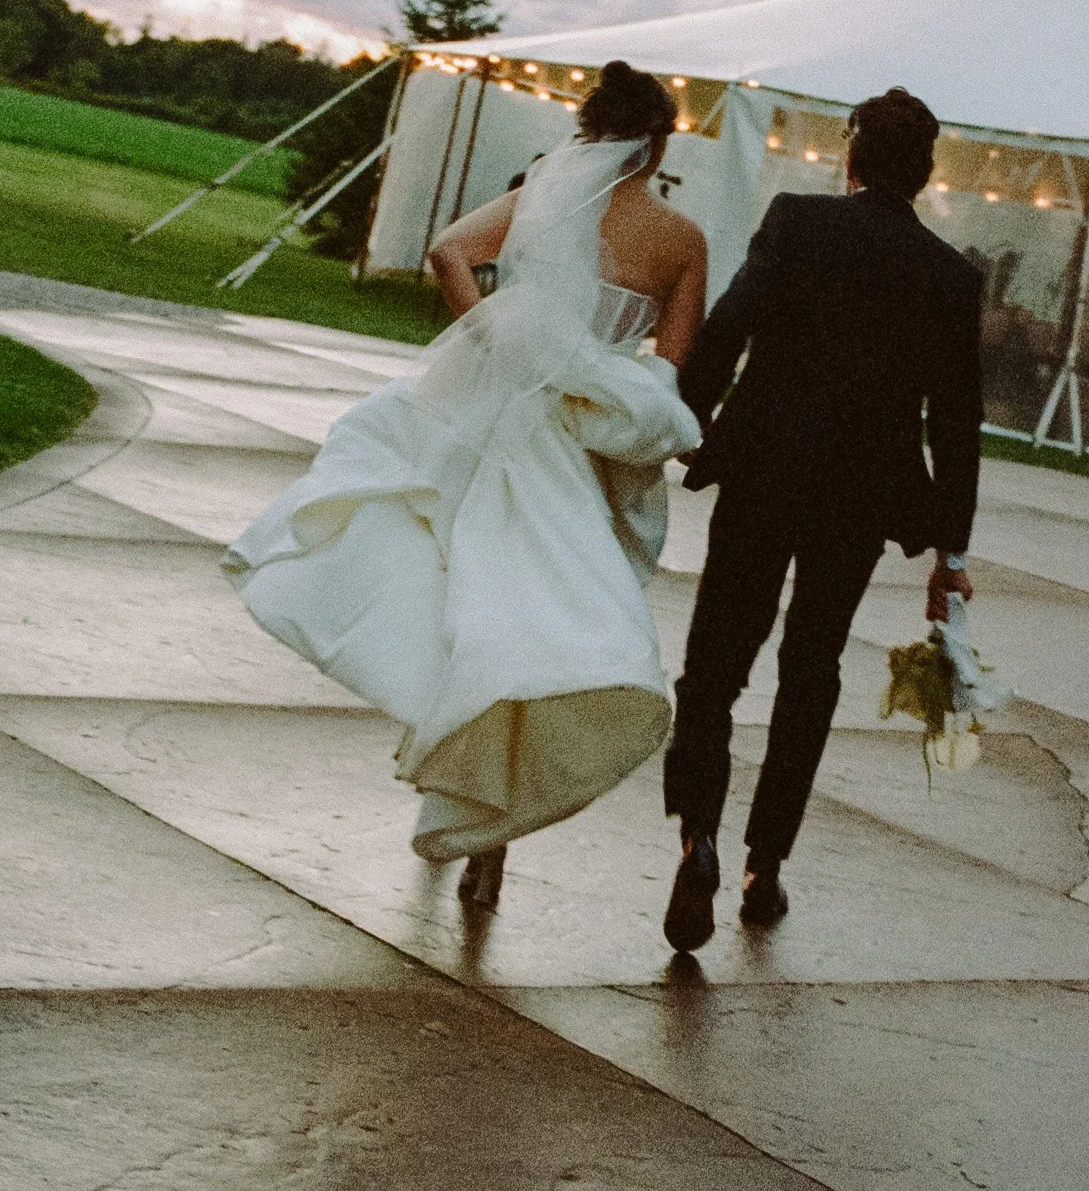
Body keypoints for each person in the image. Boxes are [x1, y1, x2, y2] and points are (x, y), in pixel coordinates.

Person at [224, 61, 708, 909]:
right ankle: (491, 831)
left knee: (462, 596)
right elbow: (670, 368)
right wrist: (600, 389)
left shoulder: (541, 198)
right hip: (584, 447)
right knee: (538, 614)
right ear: (658, 142)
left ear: (590, 130)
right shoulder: (681, 239)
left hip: (489, 420)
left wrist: (497, 342)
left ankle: (450, 770)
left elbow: (449, 250)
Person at [660, 85, 983, 953]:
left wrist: (686, 425)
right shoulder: (949, 278)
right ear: (921, 174)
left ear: (851, 154)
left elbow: (726, 328)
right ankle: (766, 868)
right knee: (811, 670)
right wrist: (949, 549)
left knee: (714, 668)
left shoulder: (797, 222)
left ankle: (699, 837)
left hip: (764, 471)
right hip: (860, 497)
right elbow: (955, 422)